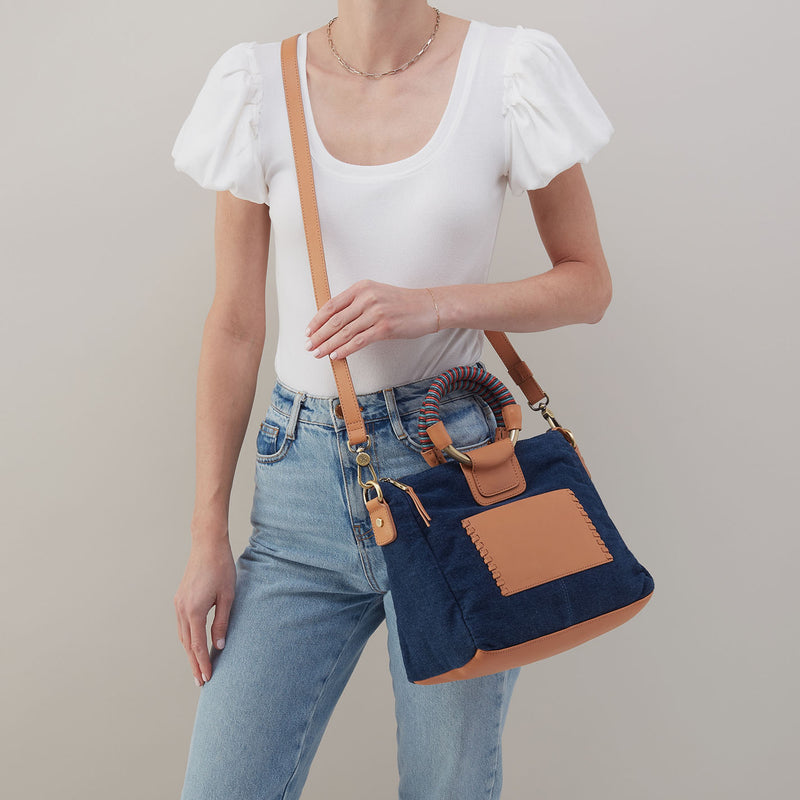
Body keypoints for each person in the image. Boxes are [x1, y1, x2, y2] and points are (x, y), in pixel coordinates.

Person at [170, 2, 614, 797]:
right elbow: (234, 325)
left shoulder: (508, 71)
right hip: (300, 494)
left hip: (457, 473)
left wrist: (436, 305)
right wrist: (208, 533)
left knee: (447, 784)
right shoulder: (258, 85)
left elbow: (588, 285)